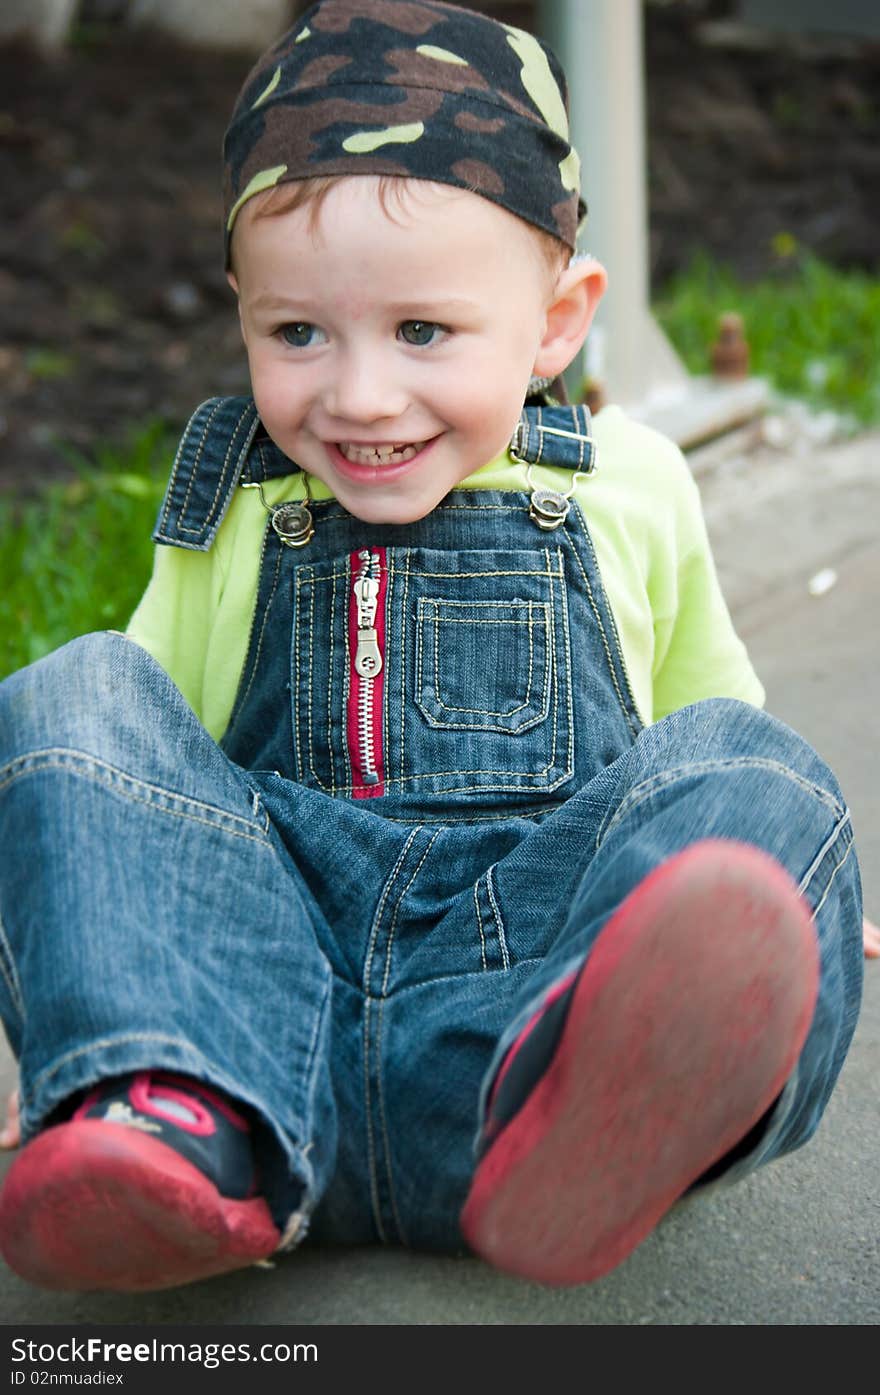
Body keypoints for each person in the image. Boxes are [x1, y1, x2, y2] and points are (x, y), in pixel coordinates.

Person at [0, 0, 870, 1294]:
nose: (356, 394)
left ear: (560, 321)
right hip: (260, 1014)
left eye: (422, 333)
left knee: (762, 774)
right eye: (297, 334)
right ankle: (161, 1105)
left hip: (522, 1016)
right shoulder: (231, 500)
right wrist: (101, 973)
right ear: (242, 309)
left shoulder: (627, 483)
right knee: (71, 693)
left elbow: (708, 717)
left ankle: (612, 1099)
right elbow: (137, 801)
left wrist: (783, 884)